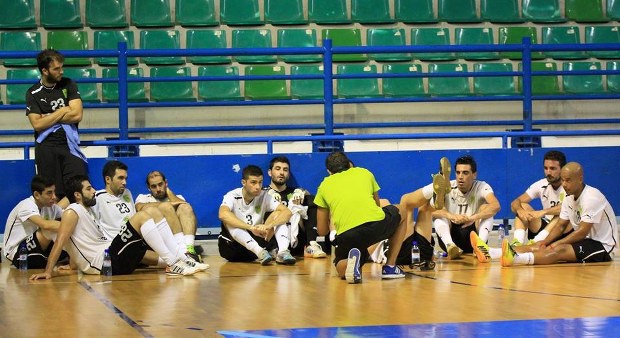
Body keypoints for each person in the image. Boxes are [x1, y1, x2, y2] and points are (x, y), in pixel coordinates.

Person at [30, 175, 208, 280]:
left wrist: (73, 267)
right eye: (89, 189)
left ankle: (179, 257)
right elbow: (61, 242)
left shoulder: (87, 211)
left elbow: (76, 244)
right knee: (142, 216)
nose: (93, 191)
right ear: (77, 195)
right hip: (104, 263)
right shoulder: (72, 211)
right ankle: (173, 262)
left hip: (110, 254)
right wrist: (47, 271)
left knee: (152, 212)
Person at [478, 162, 618, 267]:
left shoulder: (591, 197)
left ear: (580, 179)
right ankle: (491, 253)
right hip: (583, 240)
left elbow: (582, 231)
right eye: (562, 180)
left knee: (559, 249)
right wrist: (545, 242)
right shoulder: (569, 198)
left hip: (602, 246)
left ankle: (516, 259)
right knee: (540, 245)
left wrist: (556, 242)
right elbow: (561, 226)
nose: (564, 184)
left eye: (568, 180)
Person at [315, 152, 408, 284]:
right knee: (402, 209)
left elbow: (322, 230)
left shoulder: (323, 186)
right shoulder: (365, 173)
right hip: (375, 226)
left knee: (340, 268)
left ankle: (352, 262)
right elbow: (377, 205)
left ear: (329, 171)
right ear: (348, 164)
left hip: (347, 235)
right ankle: (390, 267)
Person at [26, 49, 87, 200]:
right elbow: (37, 125)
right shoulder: (33, 93)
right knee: (52, 194)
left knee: (78, 190)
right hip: (46, 148)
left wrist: (49, 117)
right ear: (45, 71)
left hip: (69, 146)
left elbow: (77, 115)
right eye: (56, 69)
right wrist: (63, 110)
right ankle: (55, 223)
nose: (61, 71)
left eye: (61, 67)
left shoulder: (69, 84)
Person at [218, 165, 293, 265]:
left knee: (279, 214)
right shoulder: (232, 195)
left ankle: (282, 252)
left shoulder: (265, 196)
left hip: (257, 246)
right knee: (229, 220)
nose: (258, 187)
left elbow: (287, 212)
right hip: (232, 248)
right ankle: (259, 251)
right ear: (243, 182)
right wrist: (250, 228)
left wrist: (268, 226)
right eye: (253, 182)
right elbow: (222, 214)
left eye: (260, 182)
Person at [432, 155, 501, 259]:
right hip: (451, 234)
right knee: (439, 213)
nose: (460, 176)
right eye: (458, 172)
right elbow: (430, 210)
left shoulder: (482, 186)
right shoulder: (447, 186)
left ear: (474, 175)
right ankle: (450, 246)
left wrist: (472, 218)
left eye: (465, 173)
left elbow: (496, 206)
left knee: (486, 208)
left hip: (473, 234)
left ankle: (480, 246)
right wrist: (452, 216)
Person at [267, 156, 327, 259]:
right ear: (270, 172)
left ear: (288, 174)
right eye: (277, 169)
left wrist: (302, 192)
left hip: (296, 238)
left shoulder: (295, 192)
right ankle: (273, 249)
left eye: (285, 170)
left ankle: (311, 245)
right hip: (273, 239)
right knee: (266, 205)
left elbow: (306, 195)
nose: (281, 172)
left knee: (310, 199)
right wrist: (267, 196)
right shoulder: (262, 192)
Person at [135, 170, 201, 260]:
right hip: (158, 241)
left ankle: (188, 250)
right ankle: (183, 254)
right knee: (166, 207)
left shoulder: (178, 197)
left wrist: (170, 194)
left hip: (178, 240)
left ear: (166, 183)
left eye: (160, 184)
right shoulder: (143, 198)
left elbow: (187, 208)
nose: (158, 189)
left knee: (185, 208)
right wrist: (168, 205)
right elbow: (139, 208)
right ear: (148, 187)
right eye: (154, 186)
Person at [3, 175, 64, 268]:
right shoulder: (26, 205)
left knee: (68, 225)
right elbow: (45, 225)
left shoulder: (51, 207)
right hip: (17, 252)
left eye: (54, 192)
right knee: (49, 228)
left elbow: (69, 218)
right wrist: (69, 227)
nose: (54, 197)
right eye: (49, 193)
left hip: (37, 248)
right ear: (37, 195)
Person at [509, 150, 568, 246]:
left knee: (562, 215)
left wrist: (543, 212)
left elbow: (568, 207)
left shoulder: (569, 185)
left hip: (563, 230)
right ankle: (517, 244)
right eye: (546, 168)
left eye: (553, 168)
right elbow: (515, 202)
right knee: (523, 206)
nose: (548, 172)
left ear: (562, 169)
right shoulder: (541, 184)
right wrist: (520, 210)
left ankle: (536, 242)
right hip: (544, 228)